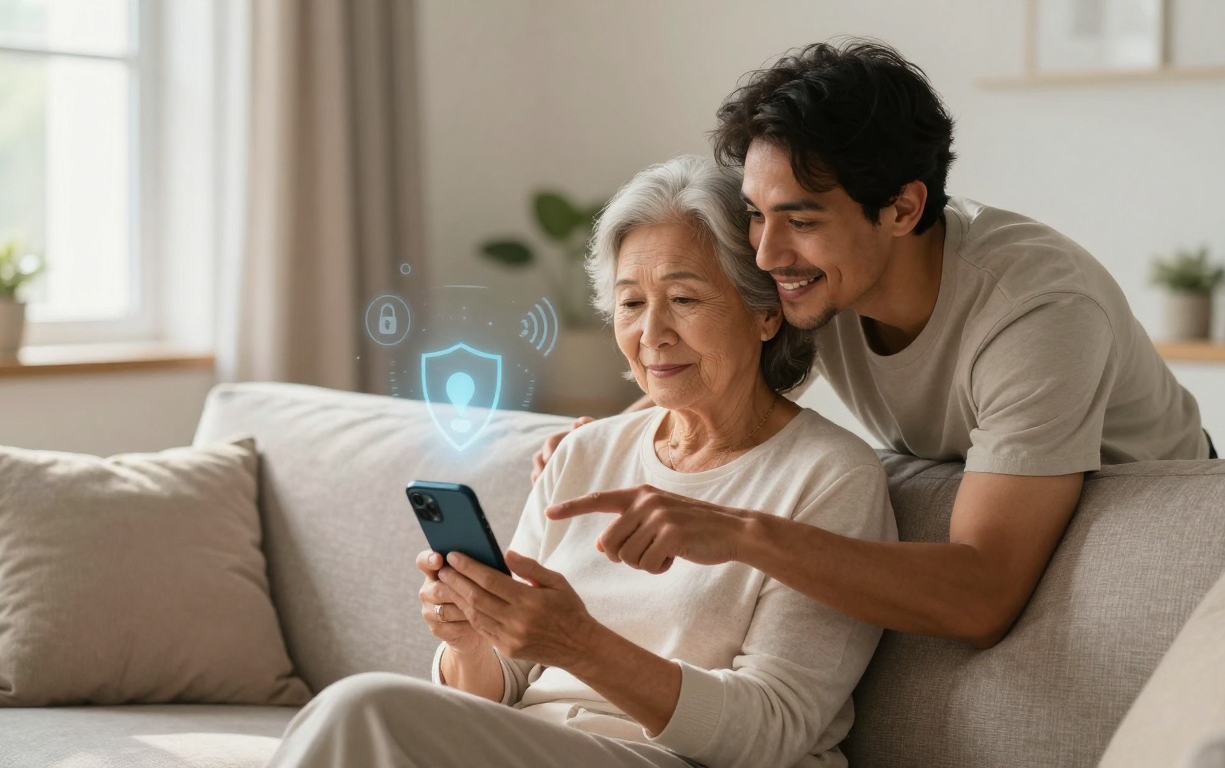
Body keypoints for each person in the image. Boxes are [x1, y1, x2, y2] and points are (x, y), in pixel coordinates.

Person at [537, 40, 1212, 649]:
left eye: (800, 220)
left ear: (902, 209)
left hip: (1150, 519)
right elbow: (722, 367)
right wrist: (612, 443)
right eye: (756, 215)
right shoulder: (821, 277)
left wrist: (739, 532)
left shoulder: (1036, 312)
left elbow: (981, 598)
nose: (766, 255)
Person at [267, 156, 897, 768]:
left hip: (673, 759)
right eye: (630, 303)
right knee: (365, 714)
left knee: (361, 709)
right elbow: (504, 681)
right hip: (534, 744)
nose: (651, 333)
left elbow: (773, 732)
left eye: (684, 299)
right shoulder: (586, 453)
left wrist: (583, 646)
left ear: (765, 314)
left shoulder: (829, 477)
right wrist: (470, 641)